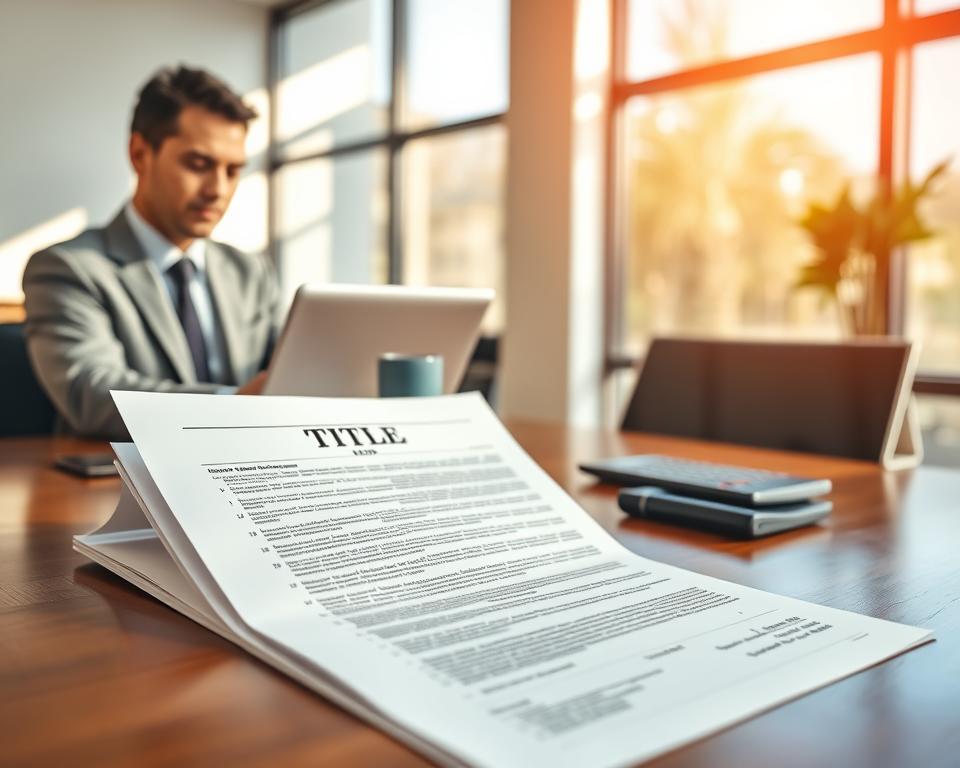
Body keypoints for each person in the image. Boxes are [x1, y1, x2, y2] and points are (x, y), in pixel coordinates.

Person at [22, 65, 276, 440]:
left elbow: (284, 374)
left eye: (233, 170)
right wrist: (234, 402)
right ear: (140, 154)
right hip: (118, 487)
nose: (218, 189)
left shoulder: (250, 271)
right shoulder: (68, 268)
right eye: (199, 164)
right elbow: (93, 395)